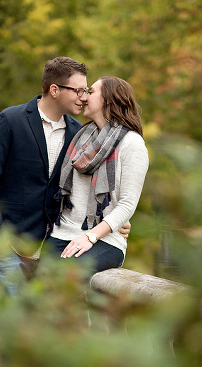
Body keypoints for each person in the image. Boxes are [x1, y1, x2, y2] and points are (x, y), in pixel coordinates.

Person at [0, 58, 129, 294]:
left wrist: (116, 220)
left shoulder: (80, 133)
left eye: (86, 90)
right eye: (77, 90)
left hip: (52, 250)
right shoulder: (10, 120)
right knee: (5, 323)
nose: (84, 97)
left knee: (36, 326)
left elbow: (88, 191)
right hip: (8, 247)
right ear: (54, 90)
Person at [45, 76, 149, 277]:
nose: (83, 97)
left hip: (104, 241)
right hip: (62, 232)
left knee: (67, 281)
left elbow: (127, 204)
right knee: (39, 295)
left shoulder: (132, 144)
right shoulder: (81, 137)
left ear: (108, 100)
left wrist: (90, 237)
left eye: (90, 92)